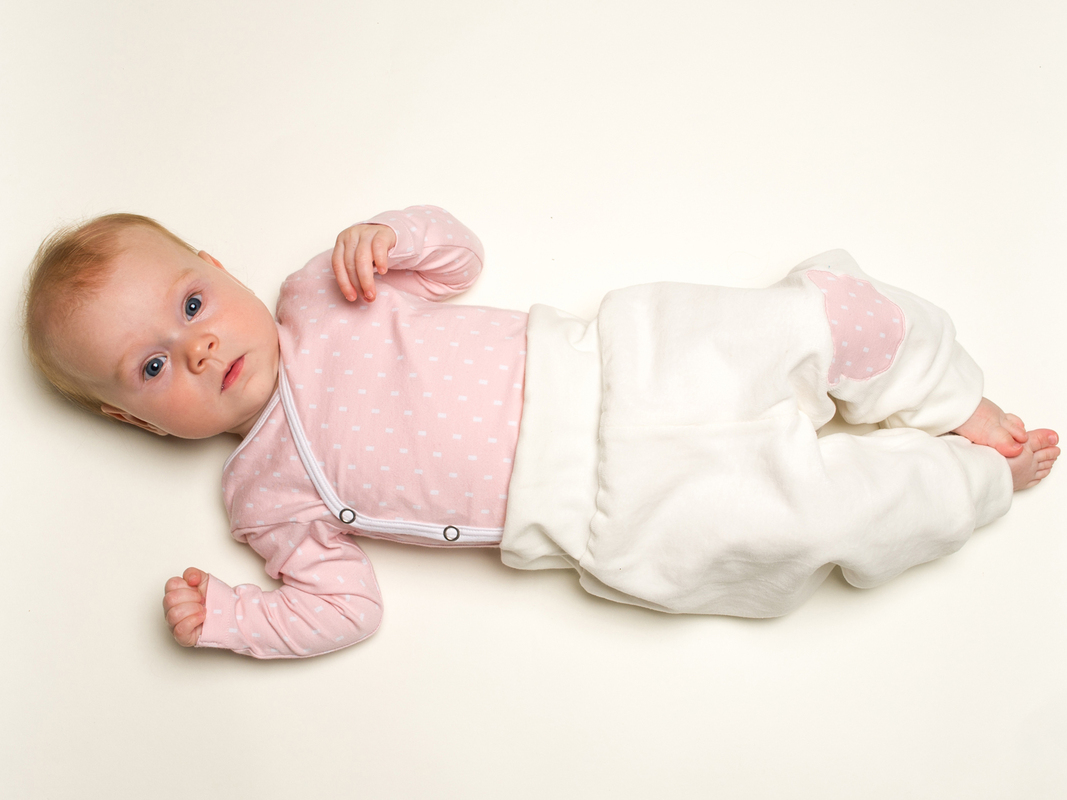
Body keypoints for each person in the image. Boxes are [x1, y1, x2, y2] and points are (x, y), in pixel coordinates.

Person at [21, 205, 1059, 658]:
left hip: (615, 362)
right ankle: (967, 480)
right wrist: (237, 620)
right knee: (803, 522)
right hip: (607, 513)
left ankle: (946, 395)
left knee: (810, 319)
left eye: (191, 303)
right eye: (151, 366)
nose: (197, 346)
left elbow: (457, 261)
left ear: (216, 266)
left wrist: (393, 236)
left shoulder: (321, 292)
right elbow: (344, 608)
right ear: (133, 419)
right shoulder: (263, 494)